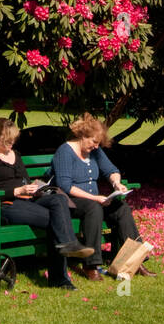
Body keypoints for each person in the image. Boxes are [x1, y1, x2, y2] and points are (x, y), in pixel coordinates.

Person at [0, 117, 94, 289]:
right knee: (56, 221)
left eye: (13, 140)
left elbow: (25, 180)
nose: (12, 143)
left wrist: (34, 187)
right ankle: (60, 278)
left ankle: (68, 245)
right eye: (8, 140)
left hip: (27, 200)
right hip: (5, 206)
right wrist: (17, 191)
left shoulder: (15, 155)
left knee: (59, 199)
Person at [51, 113, 152, 281]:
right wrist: (95, 198)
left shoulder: (94, 151)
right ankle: (91, 265)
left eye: (98, 143)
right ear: (82, 136)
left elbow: (111, 170)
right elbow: (65, 186)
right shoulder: (65, 152)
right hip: (70, 202)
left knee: (122, 209)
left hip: (93, 202)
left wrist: (116, 184)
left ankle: (135, 260)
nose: (97, 146)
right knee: (94, 208)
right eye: (93, 142)